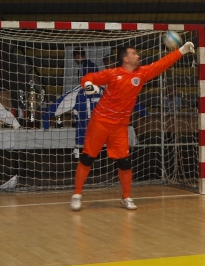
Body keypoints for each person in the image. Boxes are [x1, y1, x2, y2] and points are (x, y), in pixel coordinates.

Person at [71, 40, 195, 211]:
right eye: (134, 53)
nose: (138, 55)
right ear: (125, 59)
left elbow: (162, 64)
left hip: (120, 126)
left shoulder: (141, 74)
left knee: (125, 162)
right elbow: (88, 78)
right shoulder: (113, 73)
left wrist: (181, 50)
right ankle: (77, 194)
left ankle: (126, 197)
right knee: (87, 158)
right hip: (100, 122)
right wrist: (88, 85)